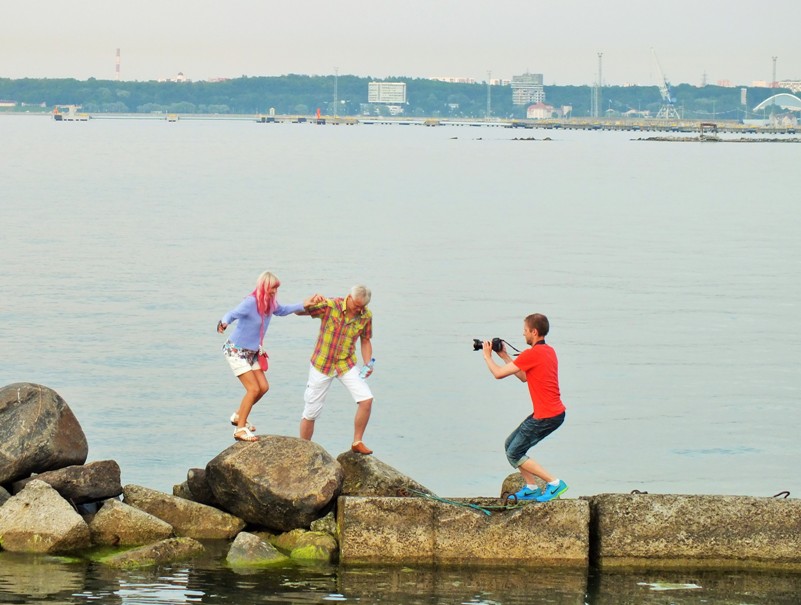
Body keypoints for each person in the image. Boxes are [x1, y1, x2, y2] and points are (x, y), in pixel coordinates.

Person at [218, 271, 320, 442]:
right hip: (236, 350)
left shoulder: (270, 303)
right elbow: (232, 313)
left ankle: (238, 415)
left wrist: (304, 304)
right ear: (264, 286)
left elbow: (283, 310)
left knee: (263, 387)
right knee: (253, 389)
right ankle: (240, 429)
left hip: (252, 352)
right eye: (272, 288)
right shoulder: (250, 302)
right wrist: (224, 323)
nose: (274, 291)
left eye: (276, 288)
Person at [482, 313, 568, 502]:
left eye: (525, 330)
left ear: (534, 332)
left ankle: (554, 483)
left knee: (514, 452)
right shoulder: (548, 351)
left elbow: (498, 374)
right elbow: (523, 377)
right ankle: (531, 487)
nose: (523, 334)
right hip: (552, 413)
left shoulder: (532, 354)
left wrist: (487, 356)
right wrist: (504, 356)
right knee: (510, 445)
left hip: (547, 416)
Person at [300, 285, 375, 454]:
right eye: (356, 305)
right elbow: (301, 311)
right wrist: (308, 302)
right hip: (322, 364)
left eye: (362, 307)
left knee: (366, 399)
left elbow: (365, 340)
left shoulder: (366, 316)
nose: (359, 310)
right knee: (311, 412)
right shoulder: (331, 305)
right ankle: (303, 450)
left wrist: (368, 363)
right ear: (349, 297)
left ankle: (357, 442)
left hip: (345, 363)